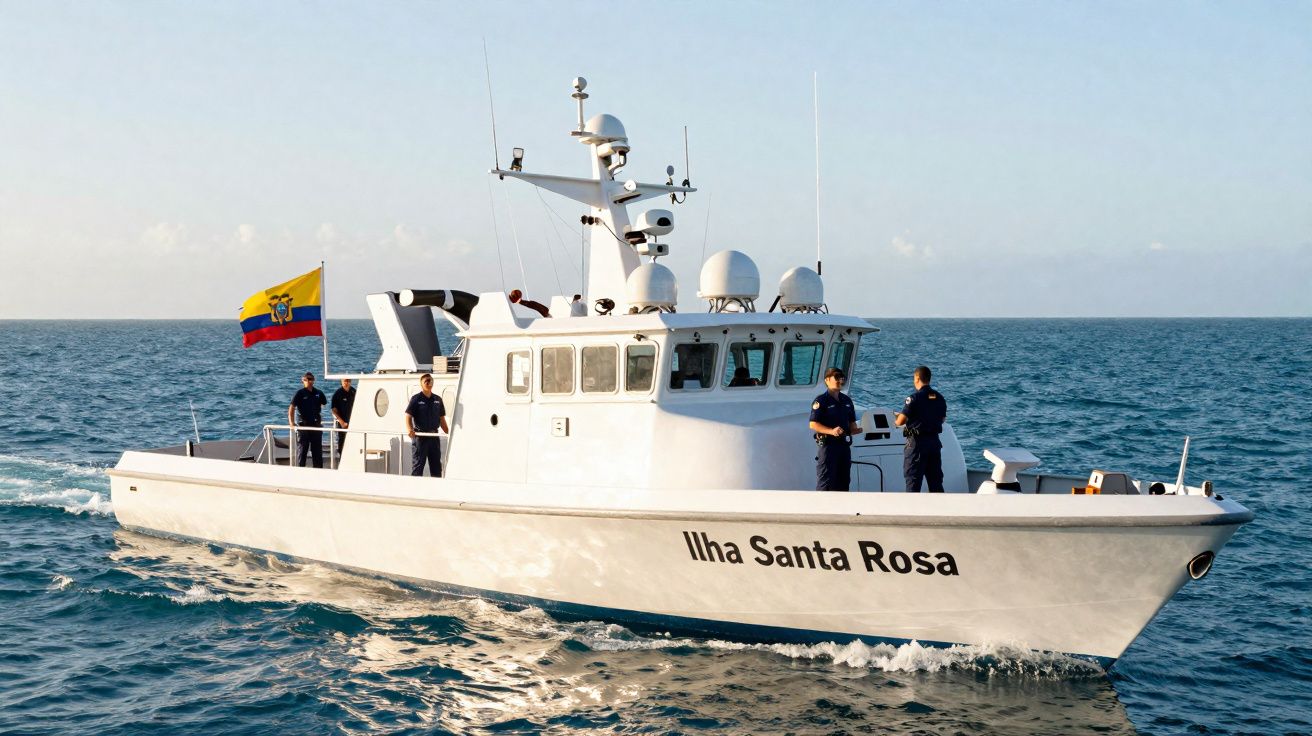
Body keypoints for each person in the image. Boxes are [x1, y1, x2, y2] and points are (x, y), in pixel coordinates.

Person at [895, 365, 948, 492]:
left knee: (913, 482)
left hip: (917, 445)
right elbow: (942, 419)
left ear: (917, 378)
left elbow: (900, 421)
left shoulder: (913, 398)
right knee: (936, 483)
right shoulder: (939, 398)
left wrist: (895, 419)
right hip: (934, 443)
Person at [808, 367, 861, 491]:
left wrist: (856, 430)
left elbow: (852, 424)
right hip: (828, 447)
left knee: (844, 482)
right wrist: (831, 431)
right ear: (827, 380)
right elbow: (813, 424)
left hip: (844, 446)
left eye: (842, 377)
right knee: (826, 483)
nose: (840, 380)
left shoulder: (847, 400)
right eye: (836, 377)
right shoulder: (821, 401)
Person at [405, 373, 450, 477]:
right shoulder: (416, 399)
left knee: (436, 467)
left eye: (431, 381)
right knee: (418, 466)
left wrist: (449, 433)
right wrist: (410, 429)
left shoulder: (438, 399)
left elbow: (442, 419)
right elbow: (408, 416)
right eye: (427, 381)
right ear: (421, 384)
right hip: (420, 437)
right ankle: (415, 486)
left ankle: (436, 486)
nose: (429, 383)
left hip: (434, 437)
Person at [287, 372, 327, 468]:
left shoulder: (319, 393)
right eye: (306, 379)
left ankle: (318, 470)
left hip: (316, 425)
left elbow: (324, 403)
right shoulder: (299, 393)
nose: (308, 381)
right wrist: (291, 422)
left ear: (314, 380)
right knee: (303, 449)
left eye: (310, 379)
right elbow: (291, 408)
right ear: (303, 381)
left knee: (317, 451)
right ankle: (301, 470)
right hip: (303, 426)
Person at [330, 377, 356, 456]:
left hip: (353, 422)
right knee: (342, 441)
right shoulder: (337, 394)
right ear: (341, 382)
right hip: (342, 423)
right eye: (345, 381)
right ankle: (341, 458)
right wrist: (342, 422)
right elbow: (334, 411)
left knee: (353, 441)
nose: (347, 382)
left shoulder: (354, 391)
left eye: (348, 381)